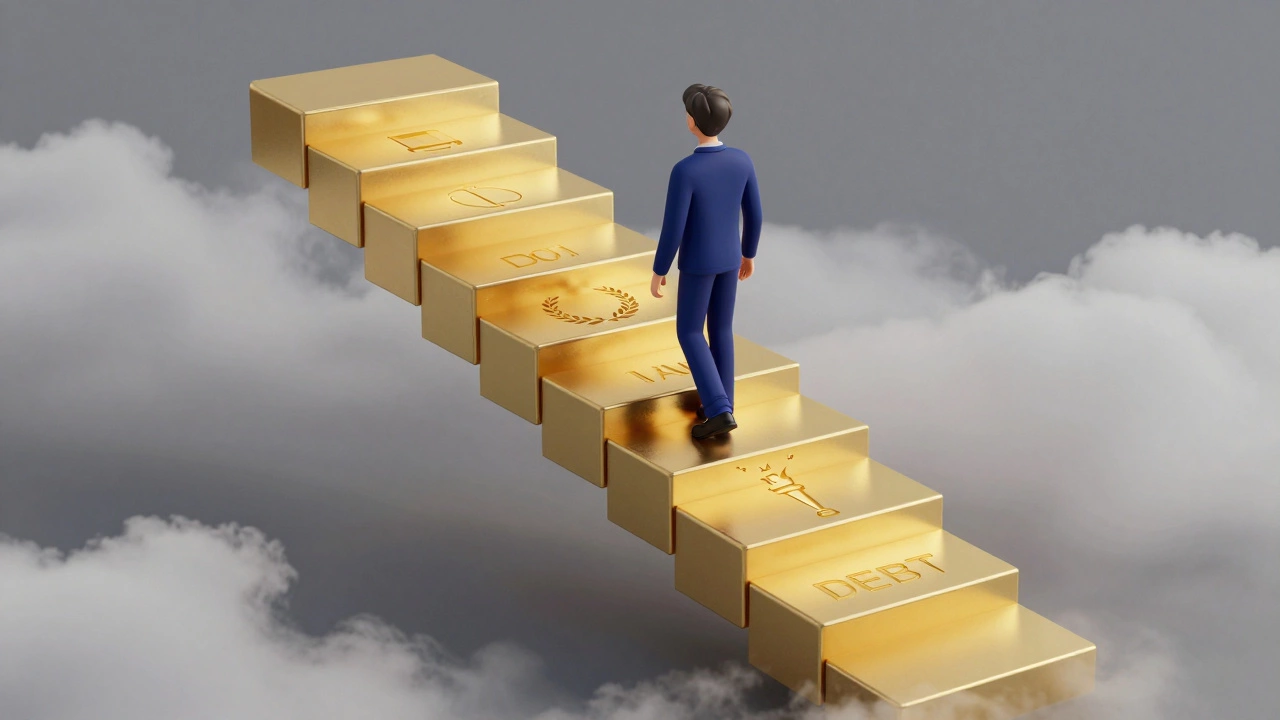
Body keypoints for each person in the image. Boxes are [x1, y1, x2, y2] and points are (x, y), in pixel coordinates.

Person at [650, 83, 762, 440]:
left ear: (692, 122)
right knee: (721, 330)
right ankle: (723, 399)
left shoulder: (685, 171)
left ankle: (717, 408)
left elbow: (674, 226)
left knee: (689, 331)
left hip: (698, 262)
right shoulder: (742, 160)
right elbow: (755, 214)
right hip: (730, 259)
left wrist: (659, 268)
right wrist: (749, 253)